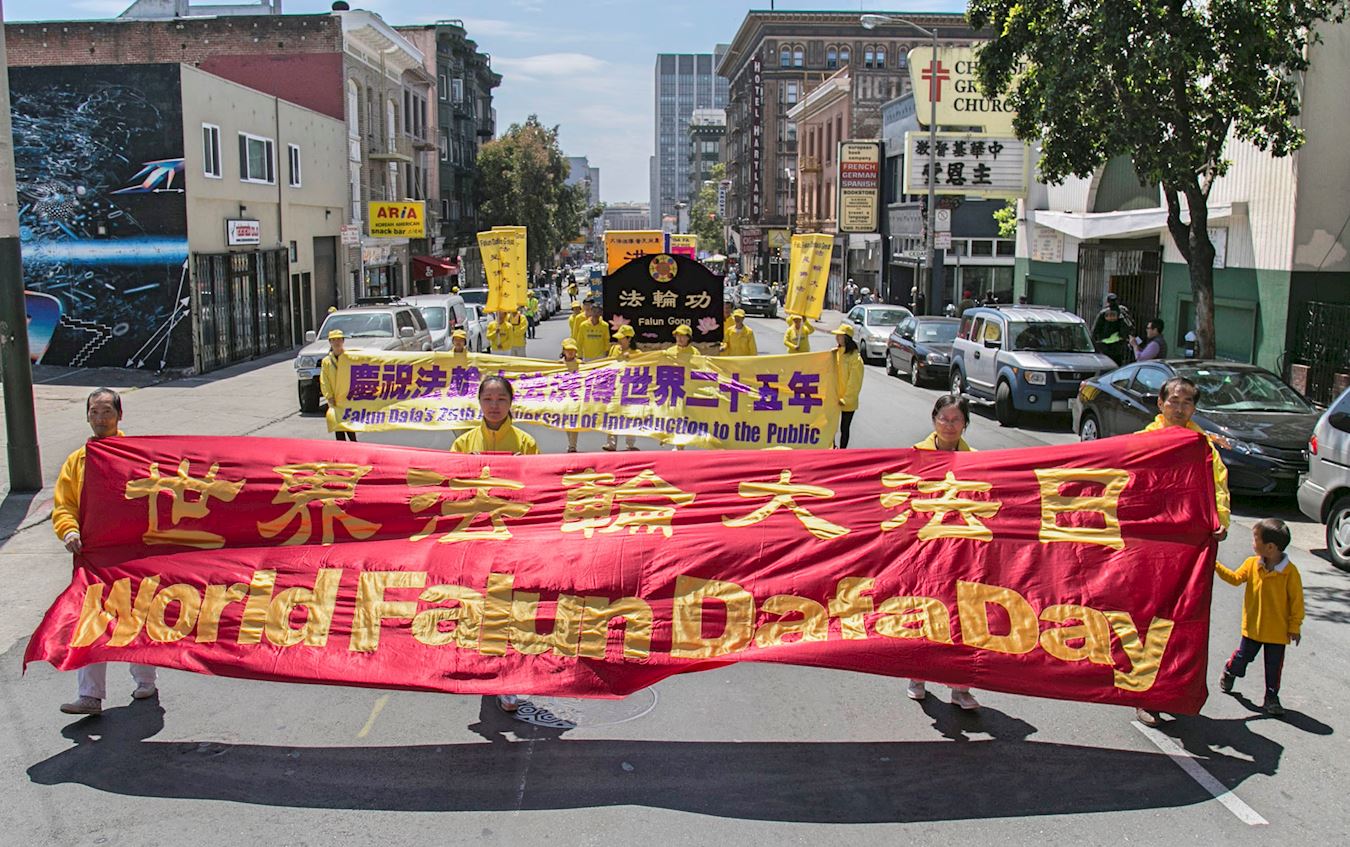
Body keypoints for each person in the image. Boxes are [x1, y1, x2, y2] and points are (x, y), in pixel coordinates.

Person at [1134, 375, 1230, 727]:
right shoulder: (1142, 442)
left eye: (1187, 402)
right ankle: (1146, 694)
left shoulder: (1202, 446)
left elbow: (1218, 487)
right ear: (1160, 404)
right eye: (1173, 401)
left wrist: (1220, 521)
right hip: (1149, 548)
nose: (1179, 408)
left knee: (1181, 621)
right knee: (1147, 620)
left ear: (1194, 408)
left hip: (1187, 550)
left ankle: (1172, 689)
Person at [57, 388, 159, 715]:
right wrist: (69, 531)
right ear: (87, 416)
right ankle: (90, 695)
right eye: (94, 412)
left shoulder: (136, 456)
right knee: (91, 619)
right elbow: (64, 506)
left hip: (131, 552)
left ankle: (145, 679)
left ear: (119, 416)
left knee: (135, 615)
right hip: (93, 555)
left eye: (107, 412)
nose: (100, 419)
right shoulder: (77, 462)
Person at [450, 375, 537, 714]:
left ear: (511, 402)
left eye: (501, 399)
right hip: (475, 536)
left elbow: (538, 490)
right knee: (477, 604)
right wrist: (467, 470)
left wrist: (520, 467)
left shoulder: (526, 443)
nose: (494, 405)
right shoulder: (463, 444)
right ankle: (483, 665)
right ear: (479, 403)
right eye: (488, 399)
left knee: (510, 605)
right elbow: (449, 488)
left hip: (512, 538)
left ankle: (507, 678)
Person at [907, 394, 980, 710]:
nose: (949, 425)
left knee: (962, 616)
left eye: (956, 420)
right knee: (922, 611)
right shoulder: (915, 456)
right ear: (934, 420)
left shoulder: (976, 461)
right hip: (923, 548)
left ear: (965, 424)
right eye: (944, 419)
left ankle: (960, 687)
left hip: (961, 550)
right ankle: (917, 675)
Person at [1215, 518, 1304, 716]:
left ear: (1270, 547)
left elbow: (1297, 602)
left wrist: (1294, 627)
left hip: (1278, 632)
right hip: (1253, 629)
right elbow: (1235, 579)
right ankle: (1230, 670)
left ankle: (1271, 697)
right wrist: (1215, 565)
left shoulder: (1290, 573)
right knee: (1242, 658)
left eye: (1255, 539)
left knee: (1274, 667)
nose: (1252, 543)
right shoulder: (1251, 564)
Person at [604, 326, 640, 452]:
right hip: (615, 386)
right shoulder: (614, 349)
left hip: (630, 388)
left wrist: (630, 358)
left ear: (629, 339)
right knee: (612, 414)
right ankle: (611, 443)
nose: (619, 340)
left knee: (630, 415)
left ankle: (630, 444)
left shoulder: (637, 353)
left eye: (622, 338)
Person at [320, 329, 356, 442]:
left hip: (347, 396)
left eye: (339, 339)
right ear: (330, 342)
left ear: (343, 341)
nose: (336, 342)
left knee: (349, 425)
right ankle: (341, 448)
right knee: (338, 426)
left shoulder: (350, 358)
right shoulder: (326, 362)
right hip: (334, 398)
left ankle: (354, 445)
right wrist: (329, 396)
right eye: (333, 340)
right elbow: (324, 380)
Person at [833, 325, 863, 448]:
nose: (837, 338)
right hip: (834, 398)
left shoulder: (855, 359)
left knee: (844, 428)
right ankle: (832, 448)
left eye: (839, 336)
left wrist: (846, 399)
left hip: (847, 401)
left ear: (846, 338)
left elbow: (854, 382)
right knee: (831, 427)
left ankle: (842, 451)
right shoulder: (836, 353)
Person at [560, 339, 584, 452]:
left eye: (572, 350)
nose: (570, 352)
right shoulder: (558, 365)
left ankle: (572, 445)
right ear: (563, 351)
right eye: (568, 350)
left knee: (574, 420)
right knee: (566, 421)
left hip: (576, 396)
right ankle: (571, 443)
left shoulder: (581, 364)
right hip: (563, 396)